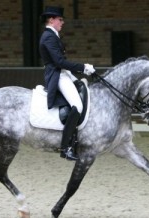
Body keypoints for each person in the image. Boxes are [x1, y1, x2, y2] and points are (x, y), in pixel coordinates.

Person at [39, 6, 95, 161]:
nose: (62, 22)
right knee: (77, 106)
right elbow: (59, 62)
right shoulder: (48, 37)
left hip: (64, 74)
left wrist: (75, 76)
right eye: (60, 19)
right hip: (57, 75)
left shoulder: (53, 36)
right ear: (51, 20)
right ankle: (65, 147)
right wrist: (83, 67)